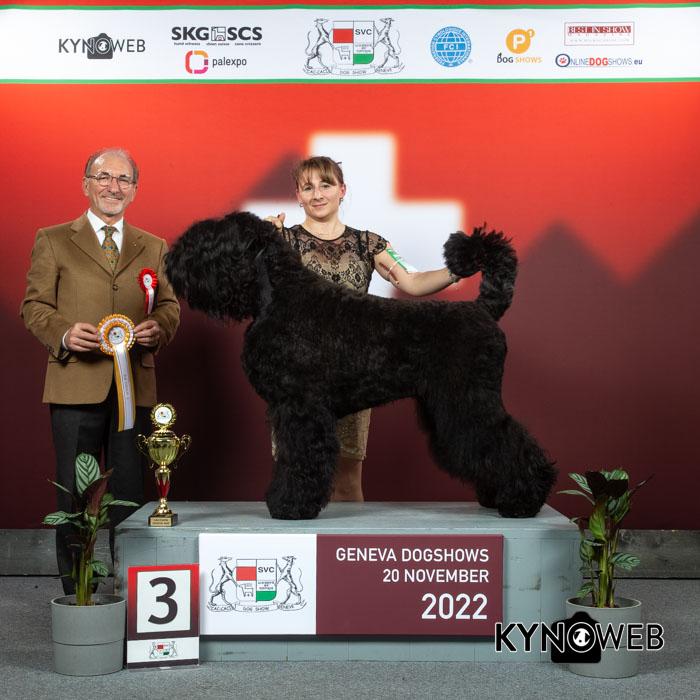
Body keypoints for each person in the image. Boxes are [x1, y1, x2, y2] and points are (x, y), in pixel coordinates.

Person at [20, 147, 180, 594]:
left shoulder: (154, 245)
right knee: (74, 495)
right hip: (74, 384)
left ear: (135, 189)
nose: (114, 186)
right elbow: (34, 306)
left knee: (129, 494)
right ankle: (80, 595)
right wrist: (63, 333)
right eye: (104, 176)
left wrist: (159, 328)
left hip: (134, 389)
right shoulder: (53, 239)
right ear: (86, 184)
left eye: (124, 179)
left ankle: (131, 592)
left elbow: (169, 306)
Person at [266, 156, 460, 503]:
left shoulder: (369, 243)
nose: (317, 194)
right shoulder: (281, 240)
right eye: (308, 187)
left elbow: (413, 281)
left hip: (352, 374)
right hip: (298, 377)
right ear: (298, 195)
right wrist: (263, 240)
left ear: (342, 190)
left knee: (346, 481)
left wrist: (456, 270)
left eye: (326, 185)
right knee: (297, 473)